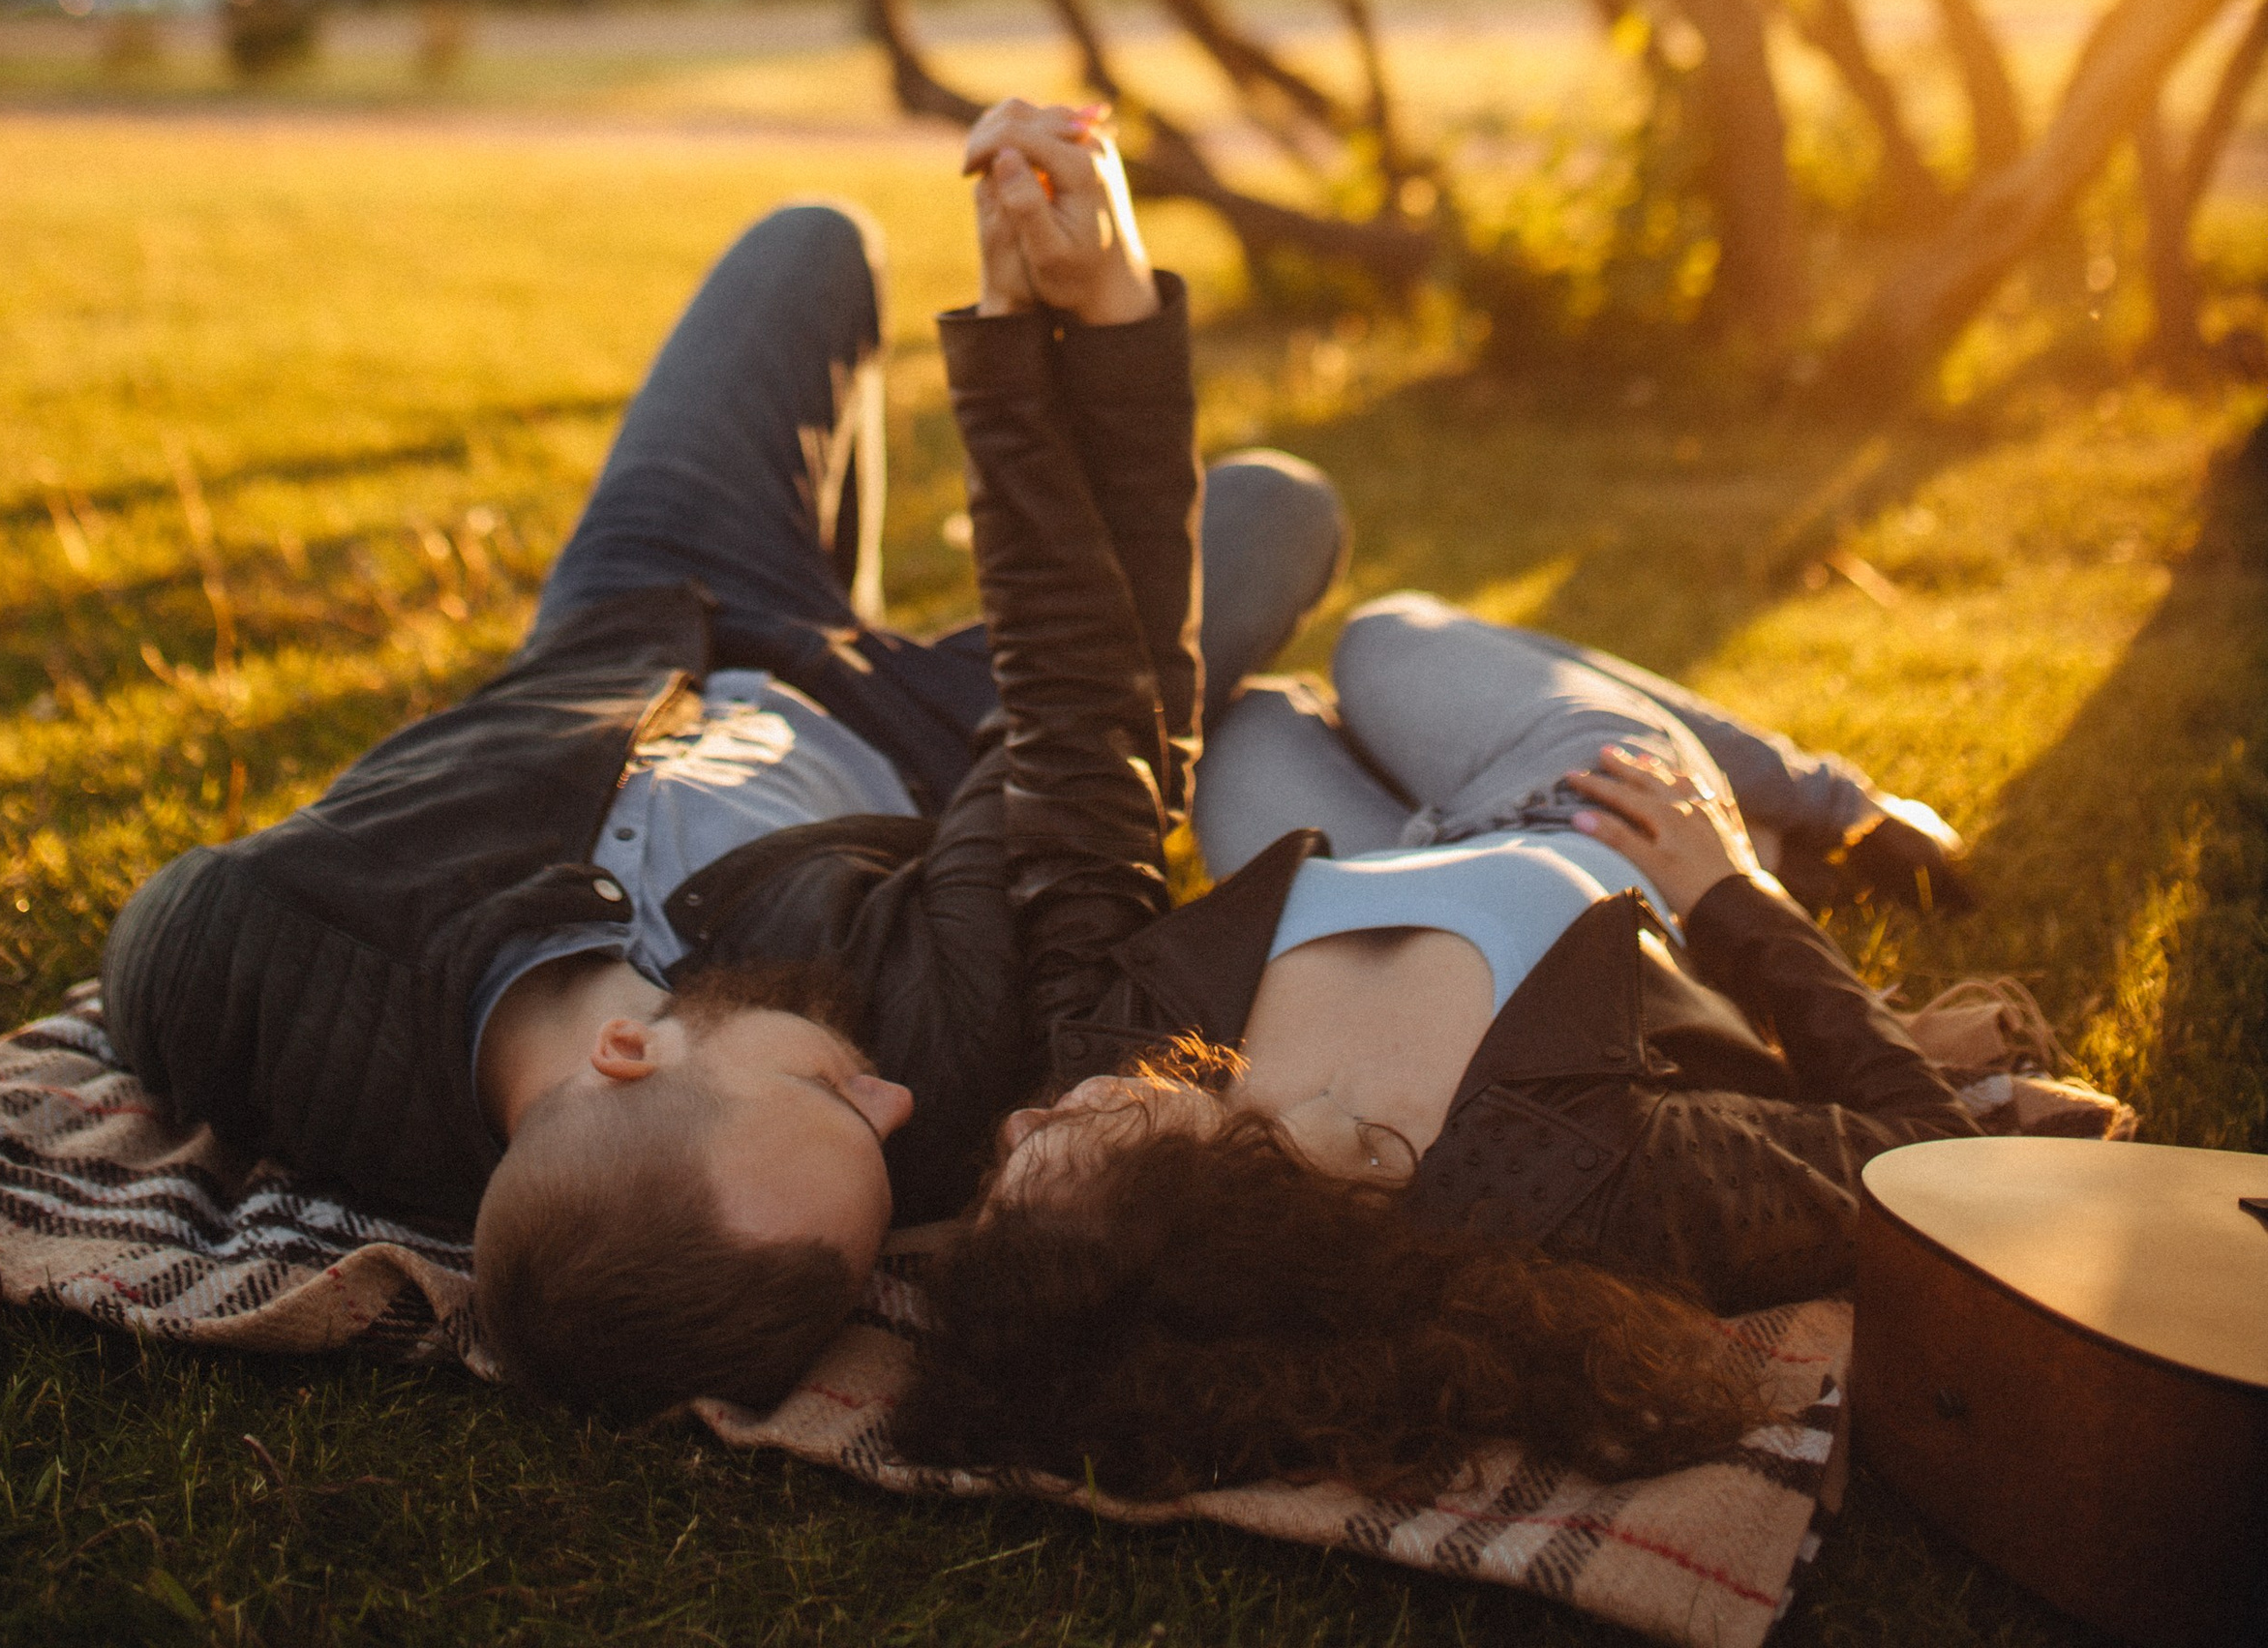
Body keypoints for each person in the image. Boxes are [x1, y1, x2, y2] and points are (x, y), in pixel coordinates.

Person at [100, 101, 1340, 1423]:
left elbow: (168, 937)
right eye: (880, 1124)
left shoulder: (249, 961)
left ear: (628, 1052)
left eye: (831, 1092)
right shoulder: (942, 1075)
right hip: (926, 729)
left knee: (813, 243)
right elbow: (1102, 692)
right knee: (1273, 513)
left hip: (654, 612)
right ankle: (875, 600)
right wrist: (1083, 316)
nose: (900, 1092)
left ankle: (820, 567)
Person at [892, 121, 1992, 1502]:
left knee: (1256, 713)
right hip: (1595, 829)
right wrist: (1734, 902)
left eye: (993, 1176)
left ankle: (1692, 797)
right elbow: (1934, 1164)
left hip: (1349, 860)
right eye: (1055, 1149)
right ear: (1218, 1229)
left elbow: (1075, 711)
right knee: (1393, 640)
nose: (1021, 1121)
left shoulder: (1112, 1045)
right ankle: (1830, 805)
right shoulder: (1581, 1185)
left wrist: (1029, 322)